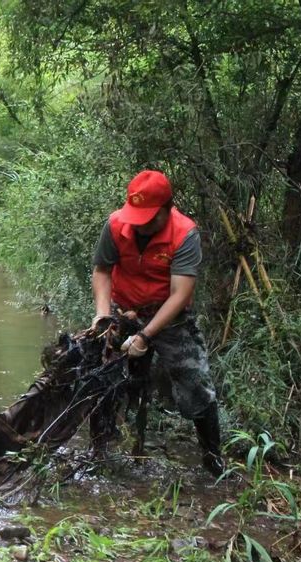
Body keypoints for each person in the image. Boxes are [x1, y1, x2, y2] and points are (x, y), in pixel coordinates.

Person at [90, 170, 223, 475]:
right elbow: (102, 271)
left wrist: (146, 336)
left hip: (170, 316)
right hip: (124, 310)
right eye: (136, 216)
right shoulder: (115, 225)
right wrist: (102, 315)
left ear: (167, 208)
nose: (140, 224)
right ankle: (102, 452)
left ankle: (213, 460)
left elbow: (180, 294)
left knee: (195, 384)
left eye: (148, 218)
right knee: (106, 378)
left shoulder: (184, 233)